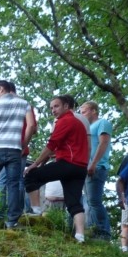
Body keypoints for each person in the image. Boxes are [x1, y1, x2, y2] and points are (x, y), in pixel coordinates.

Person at [24, 94, 89, 242]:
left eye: (56, 106)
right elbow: (58, 148)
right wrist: (43, 162)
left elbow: (51, 145)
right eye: (51, 107)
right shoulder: (78, 123)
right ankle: (80, 236)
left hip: (68, 165)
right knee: (73, 202)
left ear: (66, 106)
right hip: (80, 168)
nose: (53, 110)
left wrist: (35, 164)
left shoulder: (65, 121)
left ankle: (36, 212)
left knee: (31, 176)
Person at [0, 79, 37, 231]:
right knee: (13, 185)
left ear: (0, 89)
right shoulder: (24, 103)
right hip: (15, 150)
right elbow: (31, 126)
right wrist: (23, 145)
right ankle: (12, 222)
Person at [0, 82, 37, 220]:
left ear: (4, 90)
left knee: (2, 181)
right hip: (19, 149)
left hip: (0, 147)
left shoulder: (0, 104)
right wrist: (24, 144)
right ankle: (16, 215)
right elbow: (33, 128)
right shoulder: (25, 104)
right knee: (17, 181)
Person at [79, 101, 113, 240]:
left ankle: (103, 232)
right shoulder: (87, 128)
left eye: (84, 111)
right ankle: (94, 229)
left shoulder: (102, 123)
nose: (82, 114)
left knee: (94, 201)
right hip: (86, 167)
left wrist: (93, 163)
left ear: (94, 111)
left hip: (97, 167)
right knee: (88, 200)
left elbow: (103, 142)